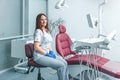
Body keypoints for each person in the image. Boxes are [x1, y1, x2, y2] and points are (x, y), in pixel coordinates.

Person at [33, 13, 69, 80]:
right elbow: (36, 47)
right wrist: (46, 54)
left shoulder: (47, 31)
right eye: (42, 20)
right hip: (40, 56)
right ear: (38, 21)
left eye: (45, 19)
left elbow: (48, 44)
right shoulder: (38, 31)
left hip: (48, 54)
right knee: (61, 66)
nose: (44, 21)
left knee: (65, 63)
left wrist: (51, 52)